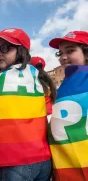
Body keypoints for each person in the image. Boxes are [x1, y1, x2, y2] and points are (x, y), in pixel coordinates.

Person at [0, 28, 52, 181]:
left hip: (14, 161)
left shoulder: (2, 78)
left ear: (20, 50)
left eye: (5, 47)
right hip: (43, 159)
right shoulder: (35, 76)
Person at [48, 31, 88, 181]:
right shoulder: (64, 85)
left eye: (70, 51)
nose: (63, 57)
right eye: (60, 53)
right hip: (65, 167)